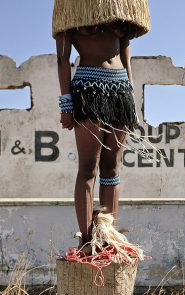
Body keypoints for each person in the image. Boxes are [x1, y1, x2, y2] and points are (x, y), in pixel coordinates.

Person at [56, 23, 138, 254]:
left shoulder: (119, 16)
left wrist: (131, 97)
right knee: (89, 168)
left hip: (120, 90)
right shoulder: (72, 13)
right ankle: (86, 240)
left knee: (112, 168)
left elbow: (126, 58)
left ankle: (108, 237)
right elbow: (62, 60)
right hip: (87, 90)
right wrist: (66, 104)